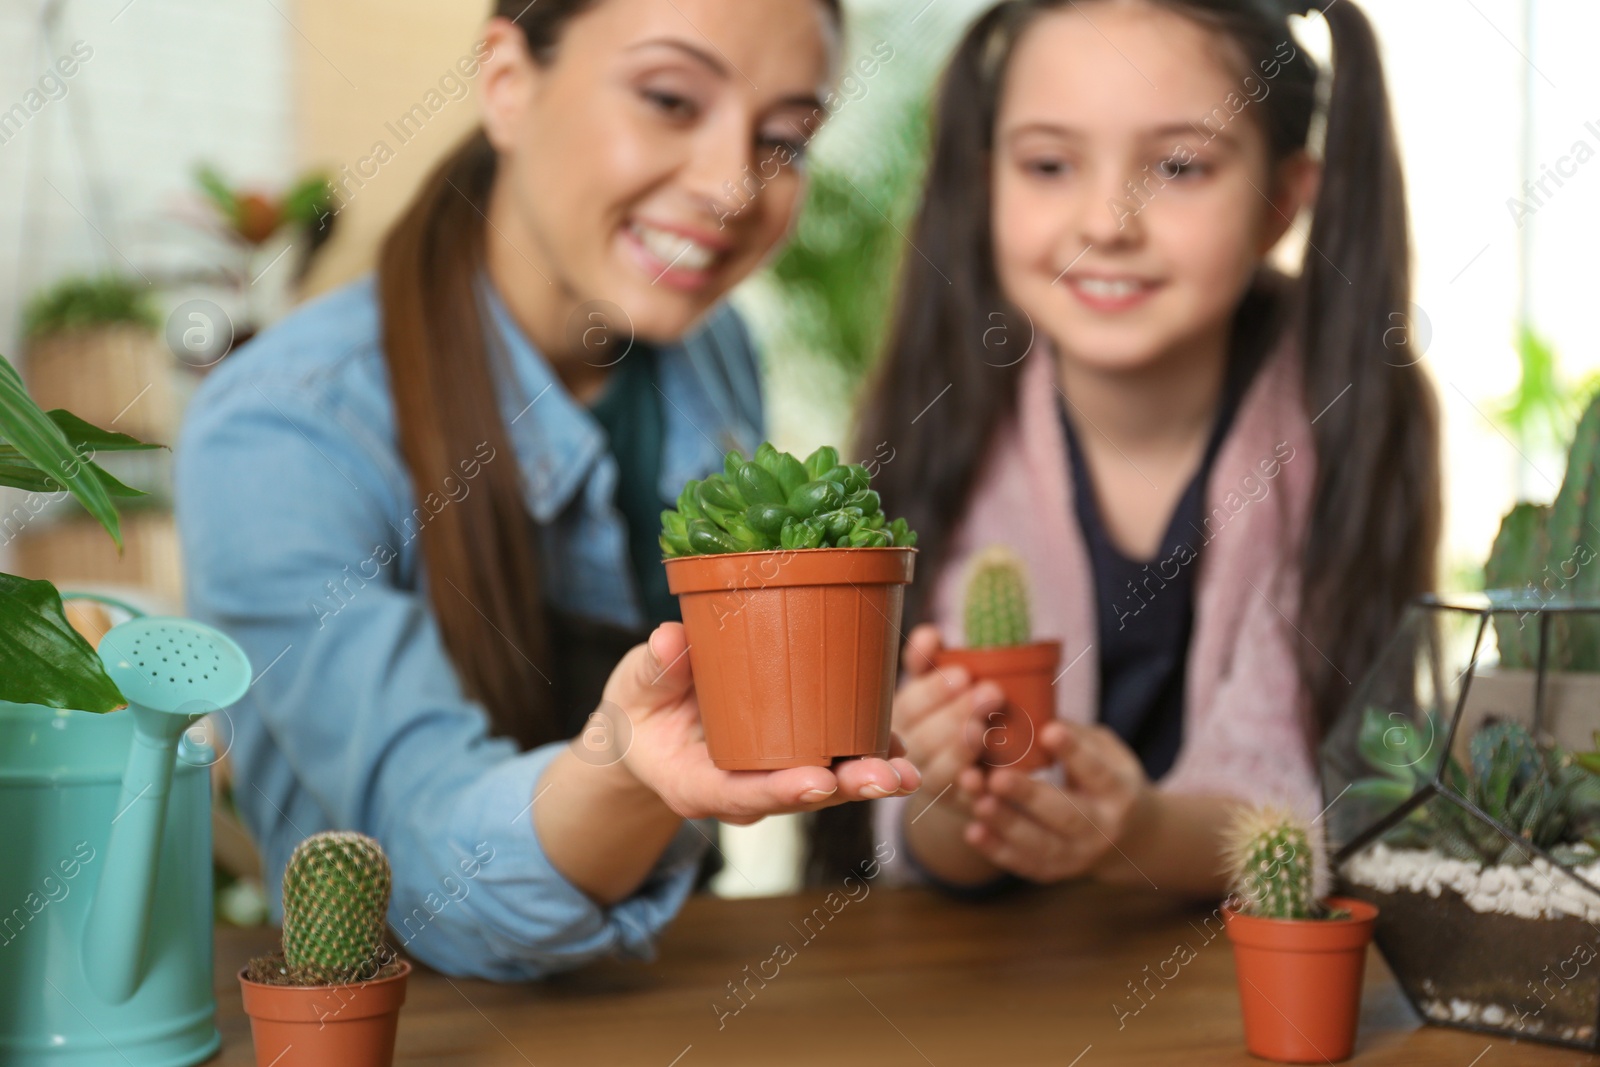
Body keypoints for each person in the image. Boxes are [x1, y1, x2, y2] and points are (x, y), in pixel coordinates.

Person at [177, 0, 918, 981]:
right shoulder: (283, 424)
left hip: (681, 989)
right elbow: (418, 854)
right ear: (507, 83)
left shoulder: (711, 350)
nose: (733, 184)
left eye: (784, 137)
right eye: (667, 98)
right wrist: (629, 772)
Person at [809, 0, 1438, 894]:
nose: (1107, 221)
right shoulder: (947, 411)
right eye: (1049, 164)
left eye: (1179, 166)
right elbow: (924, 847)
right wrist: (948, 800)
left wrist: (1133, 832)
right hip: (988, 985)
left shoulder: (1348, 413)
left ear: (1282, 202)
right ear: (989, 180)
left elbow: (1322, 792)